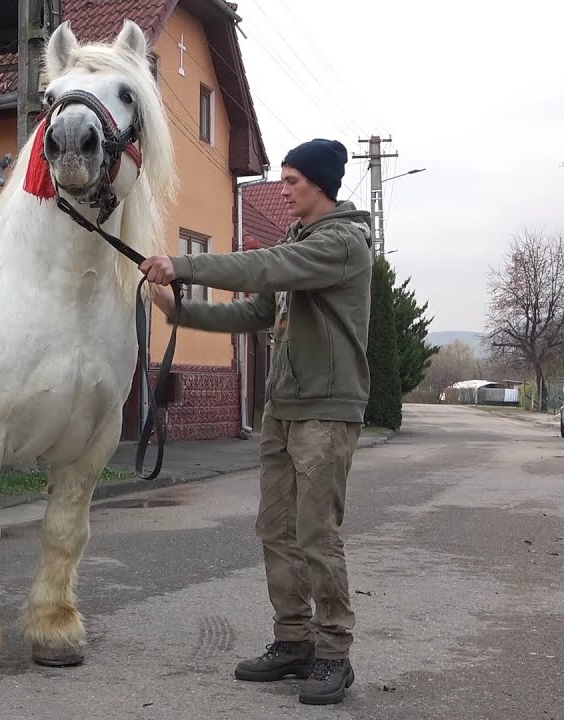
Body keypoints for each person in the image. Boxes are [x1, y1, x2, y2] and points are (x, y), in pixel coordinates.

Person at [139, 138, 373, 706]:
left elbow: (264, 268)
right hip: (283, 409)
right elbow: (257, 310)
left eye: (291, 180)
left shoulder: (341, 243)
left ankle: (334, 653)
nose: (283, 189)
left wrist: (185, 265)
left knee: (318, 534)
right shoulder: (299, 242)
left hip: (326, 409)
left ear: (318, 184)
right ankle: (293, 641)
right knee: (276, 528)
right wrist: (183, 309)